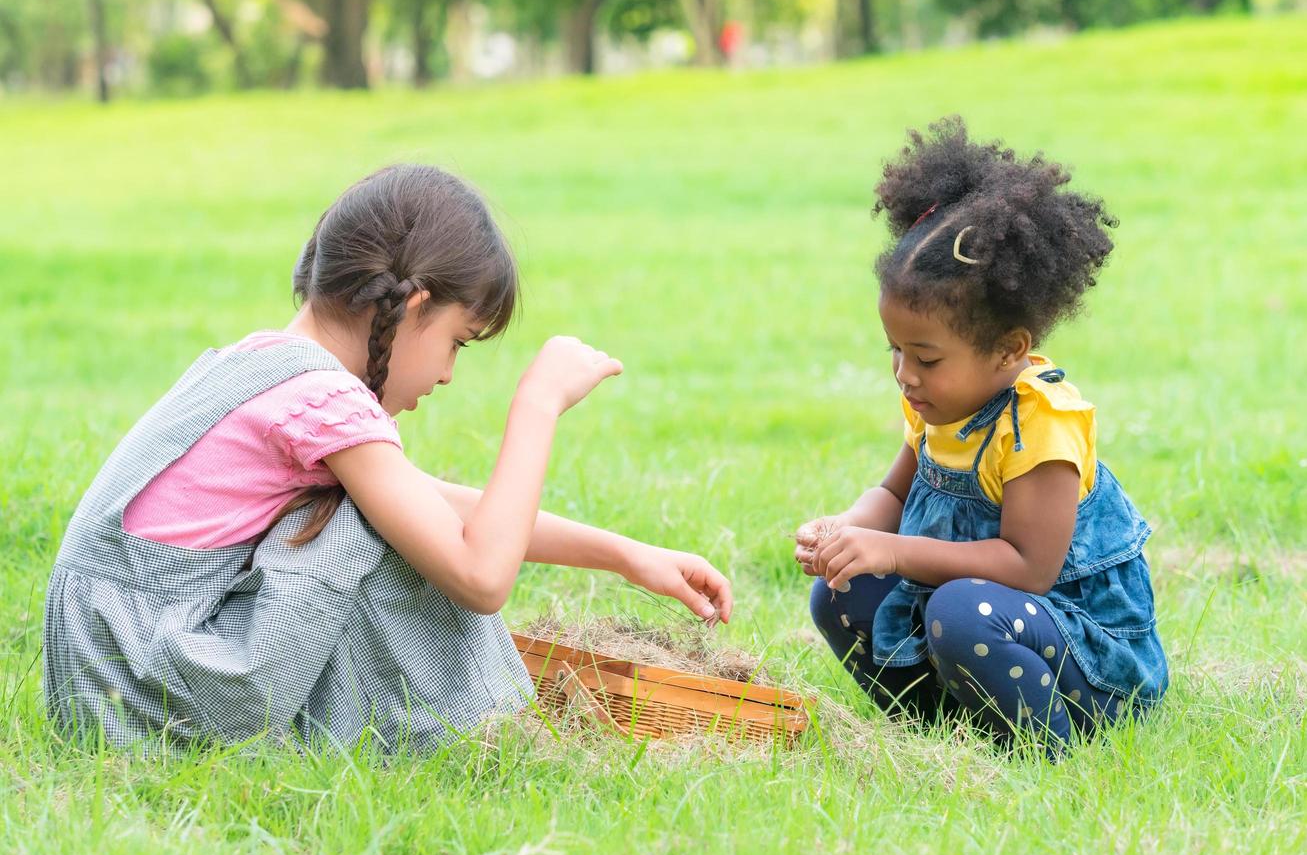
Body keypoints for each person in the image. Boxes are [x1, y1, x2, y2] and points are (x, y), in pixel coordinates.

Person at [44, 164, 732, 751]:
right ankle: (470, 722)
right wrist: (537, 404)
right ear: (413, 308)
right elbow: (479, 574)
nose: (447, 376)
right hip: (154, 690)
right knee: (364, 525)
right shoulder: (322, 397)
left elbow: (430, 502)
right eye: (459, 342)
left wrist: (626, 554)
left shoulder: (267, 363)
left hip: (104, 676)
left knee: (384, 509)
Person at [796, 117, 1166, 753]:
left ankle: (1043, 750)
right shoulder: (938, 407)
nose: (905, 376)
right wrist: (849, 529)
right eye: (895, 351)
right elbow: (892, 494)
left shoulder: (1040, 424)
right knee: (840, 594)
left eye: (927, 358)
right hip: (978, 616)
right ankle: (945, 737)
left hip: (1080, 655)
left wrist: (894, 553)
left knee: (962, 612)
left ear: (1008, 349)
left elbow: (1026, 568)